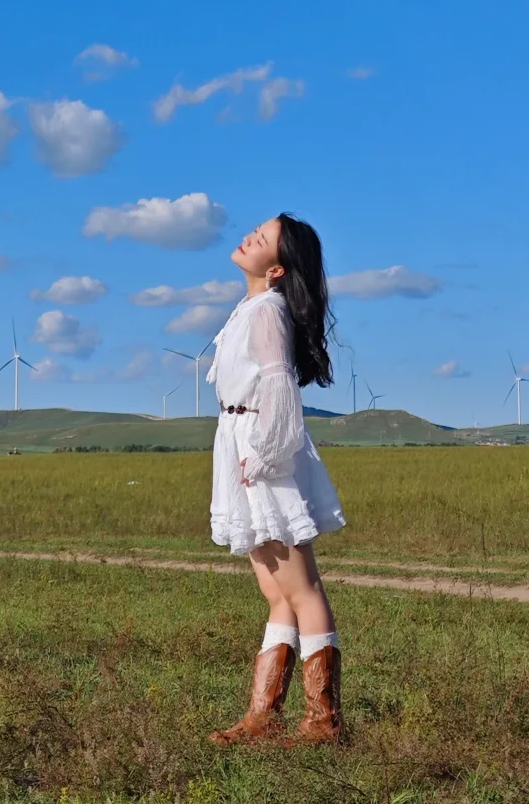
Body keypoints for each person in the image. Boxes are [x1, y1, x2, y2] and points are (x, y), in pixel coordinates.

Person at [207, 213, 346, 747]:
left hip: (261, 450)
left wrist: (264, 455)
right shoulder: (249, 308)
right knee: (277, 592)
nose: (248, 238)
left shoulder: (267, 311)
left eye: (260, 239)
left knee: (302, 588)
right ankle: (263, 718)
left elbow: (279, 387)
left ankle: (323, 723)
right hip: (241, 445)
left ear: (278, 269)